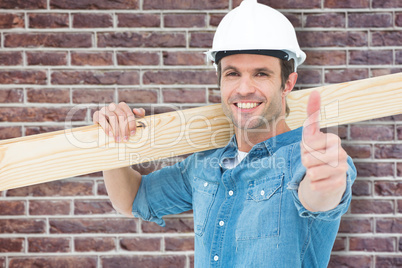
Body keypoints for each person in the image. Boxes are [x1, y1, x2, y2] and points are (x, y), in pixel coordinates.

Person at [93, 0, 356, 267]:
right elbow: (131, 199)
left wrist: (327, 184)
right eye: (232, 73)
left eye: (261, 74)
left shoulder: (307, 159)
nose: (244, 88)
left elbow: (319, 197)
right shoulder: (203, 166)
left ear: (287, 83)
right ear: (220, 80)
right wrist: (112, 141)